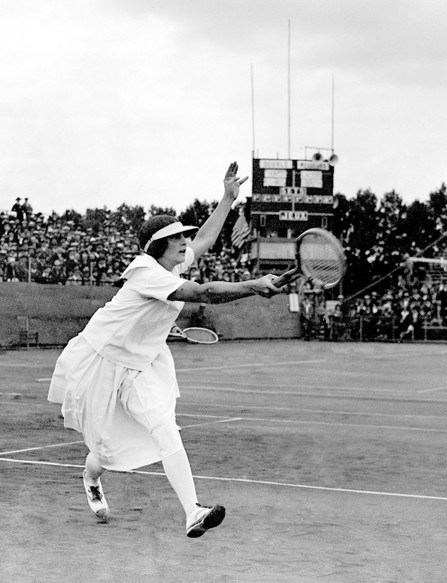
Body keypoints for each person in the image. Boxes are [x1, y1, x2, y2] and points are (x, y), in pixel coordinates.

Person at [47, 162, 282, 538]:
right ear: (159, 246)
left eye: (183, 236)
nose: (185, 242)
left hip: (141, 365)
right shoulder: (145, 270)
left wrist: (226, 199)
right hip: (101, 362)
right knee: (107, 450)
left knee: (164, 429)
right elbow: (203, 293)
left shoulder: (172, 265)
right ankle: (91, 478)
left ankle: (192, 511)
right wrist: (252, 285)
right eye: (177, 238)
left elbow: (204, 240)